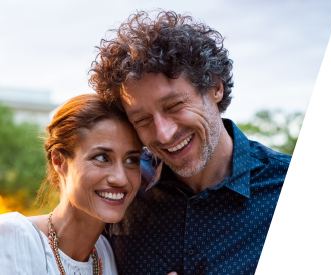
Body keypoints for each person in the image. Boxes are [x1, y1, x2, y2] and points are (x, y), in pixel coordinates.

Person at [89, 10, 291, 275]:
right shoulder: (120, 190)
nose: (163, 134)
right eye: (142, 119)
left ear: (215, 87)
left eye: (174, 105)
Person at [0, 94, 143, 274]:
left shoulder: (103, 253)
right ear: (59, 161)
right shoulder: (14, 236)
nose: (121, 178)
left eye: (132, 159)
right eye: (102, 158)